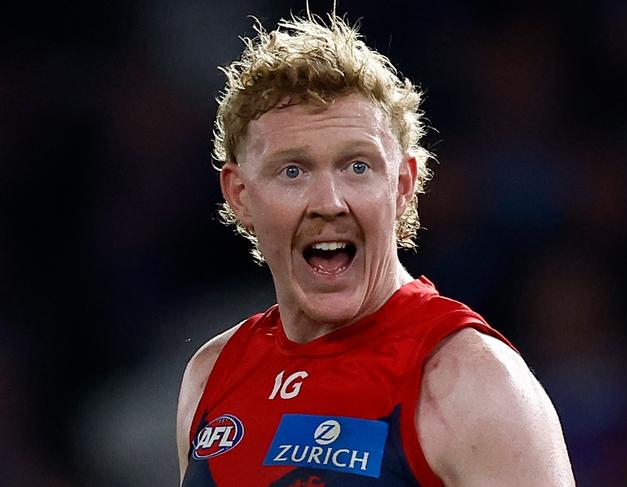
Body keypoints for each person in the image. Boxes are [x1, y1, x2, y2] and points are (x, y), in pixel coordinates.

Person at [176, 9, 575, 487]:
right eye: (293, 171)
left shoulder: (472, 383)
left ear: (403, 184)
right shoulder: (211, 374)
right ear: (240, 194)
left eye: (357, 167)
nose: (329, 203)